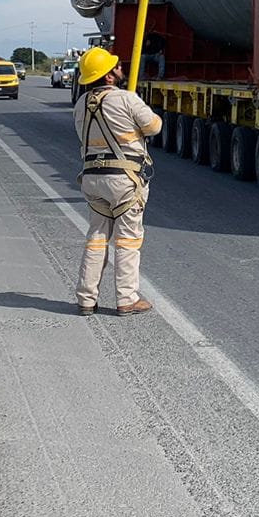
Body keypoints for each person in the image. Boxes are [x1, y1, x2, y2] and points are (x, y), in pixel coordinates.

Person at [71, 47, 162, 316]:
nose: (121, 68)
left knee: (96, 238)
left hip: (92, 178)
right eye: (116, 66)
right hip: (124, 180)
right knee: (128, 241)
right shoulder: (126, 99)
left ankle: (86, 299)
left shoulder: (80, 104)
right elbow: (155, 127)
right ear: (109, 77)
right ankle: (126, 299)